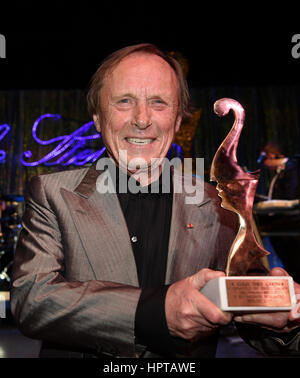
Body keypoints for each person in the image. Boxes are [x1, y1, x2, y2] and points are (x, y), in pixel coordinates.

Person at [10, 44, 300, 358]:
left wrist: (282, 316)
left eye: (158, 103)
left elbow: (259, 322)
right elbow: (31, 300)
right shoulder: (51, 193)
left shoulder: (221, 205)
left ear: (178, 119)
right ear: (96, 116)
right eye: (124, 101)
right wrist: (154, 313)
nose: (142, 119)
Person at [256, 142, 300, 283]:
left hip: (291, 218)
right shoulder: (281, 172)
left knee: (293, 257)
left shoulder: (292, 168)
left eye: (265, 161)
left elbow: (291, 195)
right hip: (282, 218)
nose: (265, 165)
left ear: (270, 156)